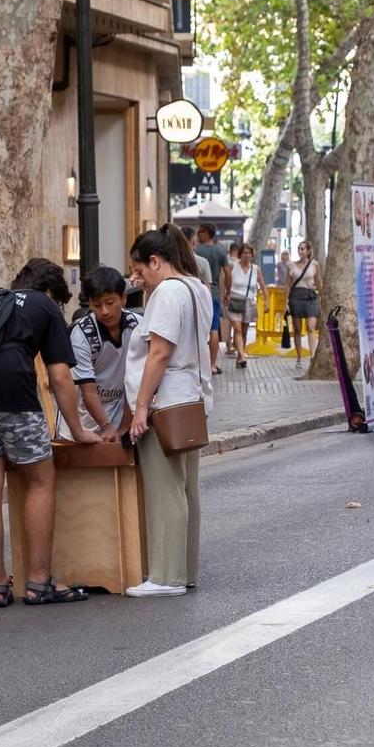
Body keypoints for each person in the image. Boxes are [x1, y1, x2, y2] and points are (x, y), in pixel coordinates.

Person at [0, 257, 100, 607]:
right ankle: (38, 583)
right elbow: (60, 377)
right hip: (10, 386)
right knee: (40, 480)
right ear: (51, 292)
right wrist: (78, 431)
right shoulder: (45, 306)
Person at [124, 226, 214, 598]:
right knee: (186, 487)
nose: (137, 278)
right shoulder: (198, 288)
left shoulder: (166, 293)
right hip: (191, 400)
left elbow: (159, 353)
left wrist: (141, 407)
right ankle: (184, 569)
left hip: (165, 402)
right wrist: (146, 289)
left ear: (156, 261)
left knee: (165, 489)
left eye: (140, 270)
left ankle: (166, 575)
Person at [71, 265, 140, 434]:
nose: (104, 311)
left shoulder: (138, 326)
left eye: (110, 303)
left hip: (124, 413)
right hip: (85, 420)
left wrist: (125, 426)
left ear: (123, 298)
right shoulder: (82, 335)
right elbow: (88, 391)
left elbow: (138, 380)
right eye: (97, 305)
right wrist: (106, 426)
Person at [194, 226, 230, 375]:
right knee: (214, 329)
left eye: (200, 232)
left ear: (207, 233)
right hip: (213, 294)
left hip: (196, 292)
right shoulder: (220, 250)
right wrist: (226, 292)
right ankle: (212, 365)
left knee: (197, 330)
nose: (198, 235)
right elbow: (227, 273)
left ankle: (199, 364)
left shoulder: (196, 250)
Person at [226, 243, 263, 369]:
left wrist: (266, 301)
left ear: (252, 255)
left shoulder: (255, 269)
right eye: (244, 253)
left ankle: (239, 356)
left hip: (249, 301)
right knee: (237, 329)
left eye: (249, 253)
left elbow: (262, 284)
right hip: (234, 300)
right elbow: (225, 281)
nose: (247, 255)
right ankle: (242, 356)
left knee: (244, 331)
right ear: (240, 254)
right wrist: (225, 295)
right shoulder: (233, 266)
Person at [286, 240, 322, 355]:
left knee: (311, 327)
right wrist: (285, 301)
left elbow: (318, 282)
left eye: (302, 249)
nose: (300, 251)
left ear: (308, 251)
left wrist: (322, 296)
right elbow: (288, 285)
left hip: (310, 296)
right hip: (296, 296)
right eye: (299, 249)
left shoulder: (314, 264)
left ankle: (313, 354)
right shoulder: (291, 265)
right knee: (297, 329)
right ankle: (299, 356)